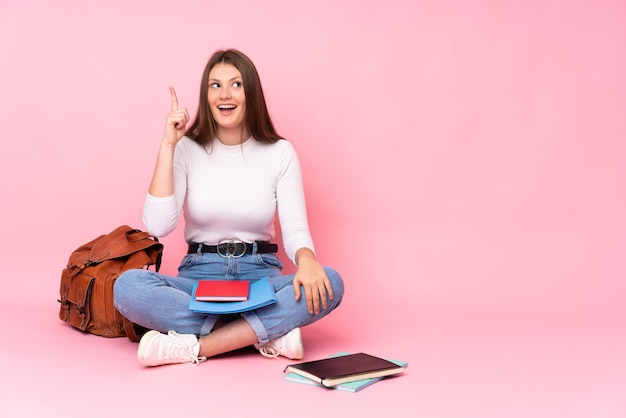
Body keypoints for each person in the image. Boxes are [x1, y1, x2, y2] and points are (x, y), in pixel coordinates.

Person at [113, 49, 344, 367]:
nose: (225, 94)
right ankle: (263, 332)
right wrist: (168, 146)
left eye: (236, 84)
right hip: (198, 275)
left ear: (251, 92)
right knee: (128, 287)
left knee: (330, 282)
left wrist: (308, 261)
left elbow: (295, 230)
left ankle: (197, 347)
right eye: (215, 85)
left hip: (260, 274)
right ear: (205, 95)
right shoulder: (186, 149)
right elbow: (158, 226)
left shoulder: (280, 152)